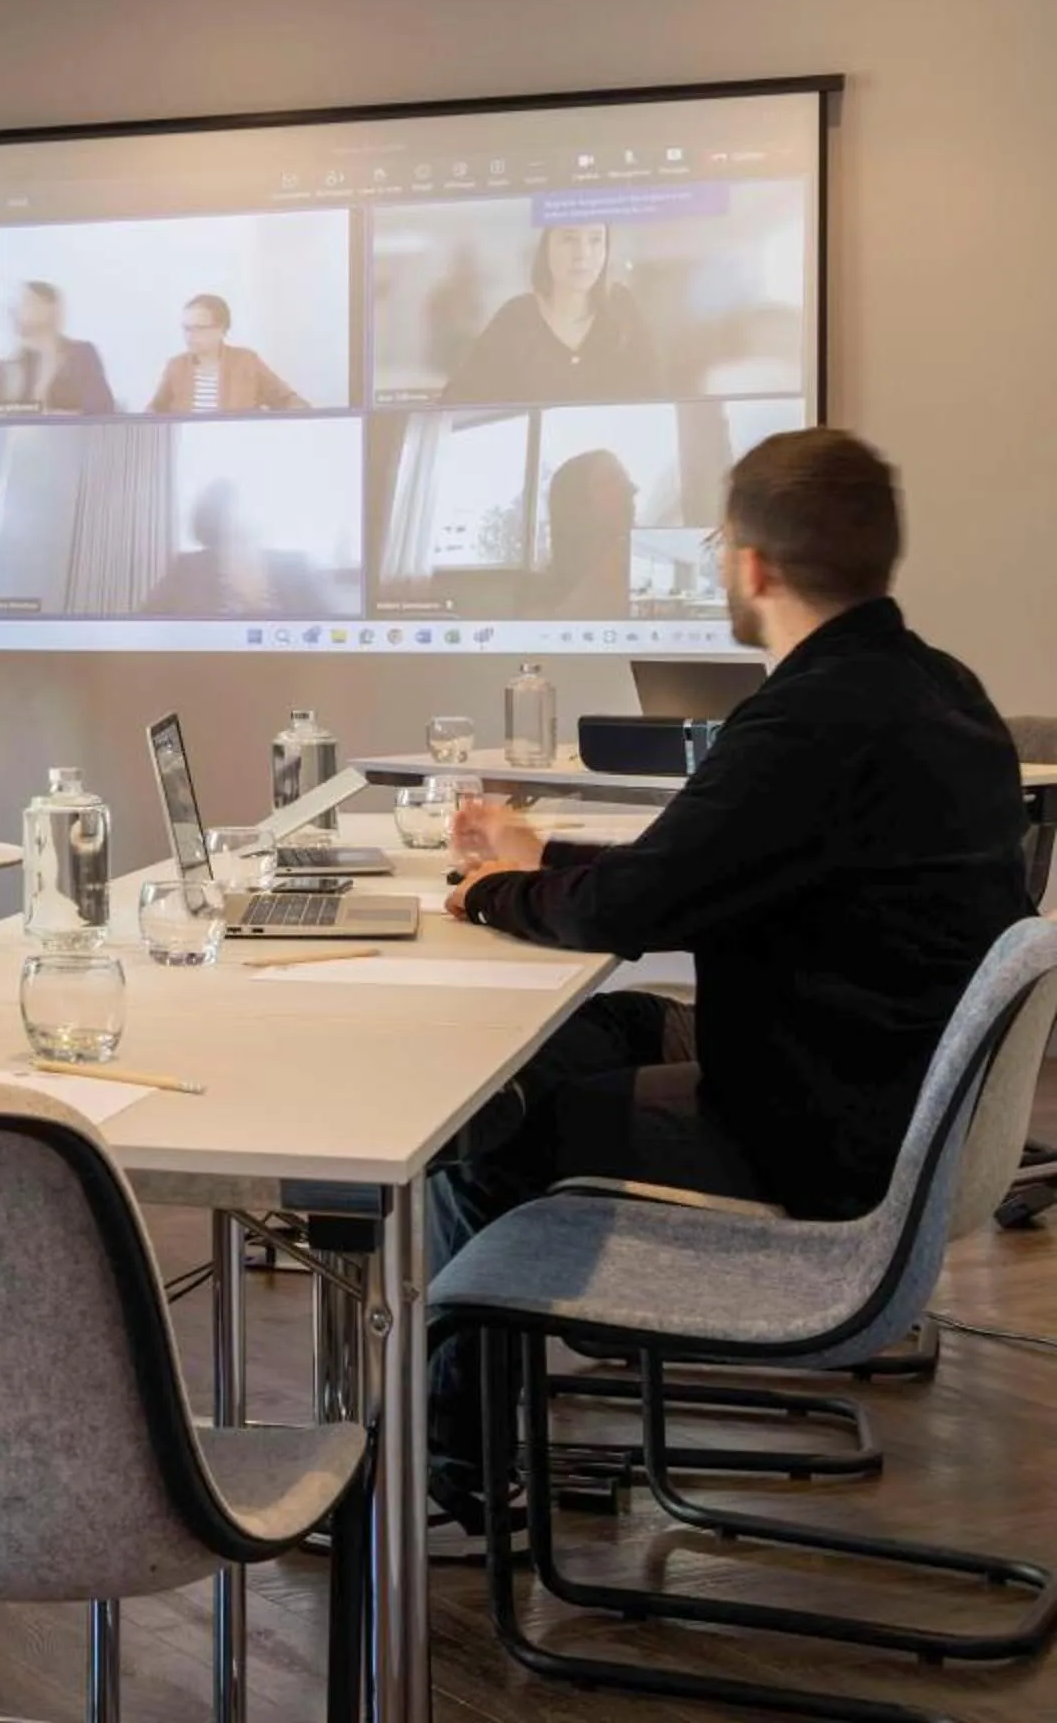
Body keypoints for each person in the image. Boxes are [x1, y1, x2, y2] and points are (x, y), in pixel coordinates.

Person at [427, 428, 1030, 1527]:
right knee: (591, 1035)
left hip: (825, 1143)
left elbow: (630, 907)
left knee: (482, 1119)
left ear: (751, 564)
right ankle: (498, 1416)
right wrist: (537, 861)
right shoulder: (929, 686)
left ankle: (465, 1471)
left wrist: (485, 894)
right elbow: (697, 866)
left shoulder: (813, 718)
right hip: (872, 1083)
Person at [441, 222, 661, 406]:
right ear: (546, 248)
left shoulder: (622, 308)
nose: (582, 254)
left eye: (595, 240)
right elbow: (457, 400)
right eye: (568, 239)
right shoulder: (515, 318)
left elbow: (656, 395)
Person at [141, 480, 335, 619]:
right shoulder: (186, 569)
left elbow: (332, 632)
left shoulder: (296, 566)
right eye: (230, 509)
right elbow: (146, 626)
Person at [517, 449, 638, 621]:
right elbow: (540, 641)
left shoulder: (644, 581)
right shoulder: (538, 591)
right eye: (611, 481)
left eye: (625, 479)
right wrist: (603, 578)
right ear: (575, 504)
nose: (632, 489)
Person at [148, 295, 307, 414]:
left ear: (222, 329)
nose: (190, 336)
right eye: (186, 329)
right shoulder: (176, 366)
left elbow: (288, 400)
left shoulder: (246, 361)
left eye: (199, 328)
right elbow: (155, 411)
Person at [0, 280, 113, 413]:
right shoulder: (12, 365)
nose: (16, 309)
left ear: (50, 309)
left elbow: (102, 408)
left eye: (26, 301)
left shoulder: (81, 354)